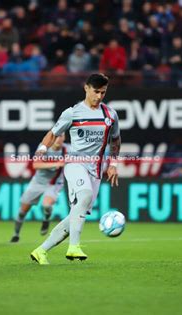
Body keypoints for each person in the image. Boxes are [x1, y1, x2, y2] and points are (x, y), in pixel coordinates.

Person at [30, 73, 121, 265]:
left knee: (75, 216)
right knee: (85, 195)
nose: (99, 96)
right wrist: (42, 149)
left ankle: (41, 251)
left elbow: (116, 139)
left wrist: (113, 164)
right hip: (74, 164)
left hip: (95, 170)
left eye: (103, 92)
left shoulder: (110, 115)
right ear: (86, 88)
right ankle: (74, 247)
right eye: (96, 91)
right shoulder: (72, 112)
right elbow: (53, 133)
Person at [10, 134, 68, 243]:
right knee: (23, 211)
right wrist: (55, 164)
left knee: (46, 205)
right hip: (38, 182)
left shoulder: (67, 149)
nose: (58, 139)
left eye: (61, 136)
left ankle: (46, 219)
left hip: (54, 183)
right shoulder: (44, 147)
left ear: (64, 138)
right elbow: (36, 165)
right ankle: (16, 234)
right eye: (56, 136)